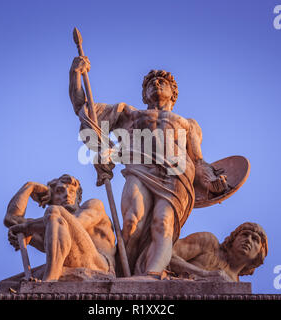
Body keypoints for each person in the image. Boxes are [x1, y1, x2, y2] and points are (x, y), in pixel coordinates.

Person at [69, 56, 228, 276]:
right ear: (144, 94)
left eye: (162, 82)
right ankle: (122, 273)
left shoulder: (188, 124)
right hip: (139, 169)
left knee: (162, 224)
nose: (156, 84)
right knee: (131, 222)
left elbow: (198, 161)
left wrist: (212, 181)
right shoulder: (129, 114)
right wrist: (76, 74)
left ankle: (152, 276)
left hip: (177, 174)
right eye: (150, 83)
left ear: (173, 92)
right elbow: (84, 108)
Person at [4, 174, 116, 281]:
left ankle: (49, 282)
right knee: (9, 284)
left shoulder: (94, 205)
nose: (67, 194)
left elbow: (75, 223)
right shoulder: (51, 225)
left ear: (78, 198)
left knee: (55, 213)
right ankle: (52, 276)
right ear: (51, 198)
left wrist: (27, 228)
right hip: (68, 263)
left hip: (99, 265)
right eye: (59, 191)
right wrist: (29, 186)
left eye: (72, 191)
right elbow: (11, 219)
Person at [170, 222, 268, 282]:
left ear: (259, 254)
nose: (248, 240)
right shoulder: (208, 243)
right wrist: (205, 274)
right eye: (245, 234)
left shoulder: (236, 288)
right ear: (232, 239)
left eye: (255, 239)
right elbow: (165, 253)